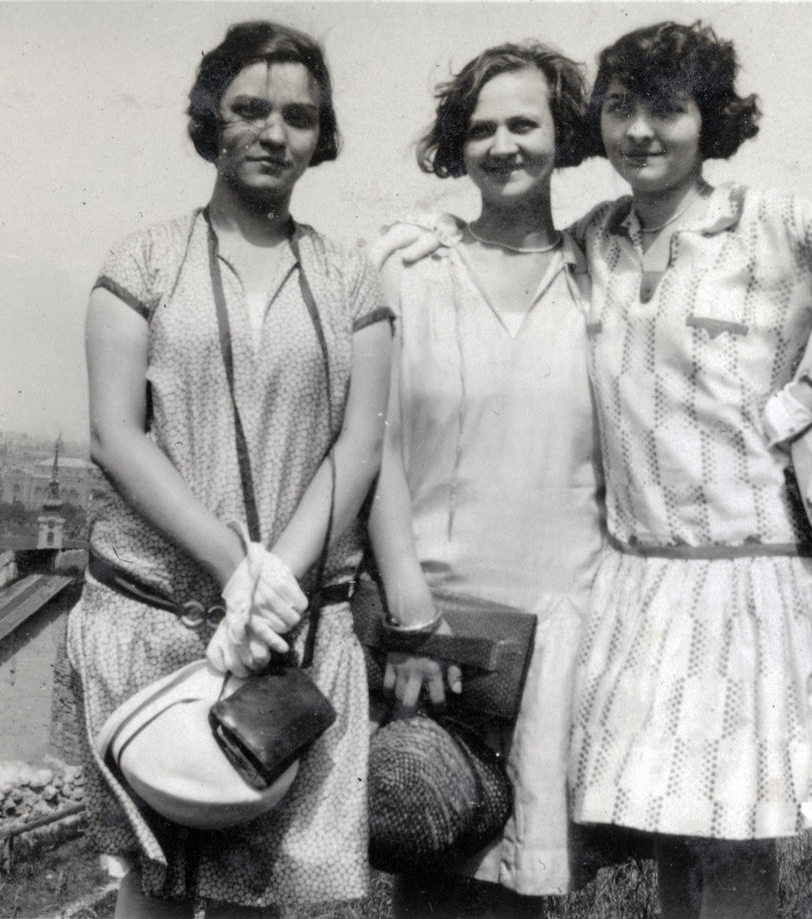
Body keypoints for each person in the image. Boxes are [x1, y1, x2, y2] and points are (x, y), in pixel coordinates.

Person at [564, 22, 812, 918]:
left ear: (711, 118)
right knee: (677, 831)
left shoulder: (774, 220)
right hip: (640, 581)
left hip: (750, 579)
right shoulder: (591, 238)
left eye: (667, 108)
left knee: (736, 837)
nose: (640, 131)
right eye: (621, 108)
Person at [68, 21, 391, 917]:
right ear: (211, 119)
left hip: (290, 629)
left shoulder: (351, 279)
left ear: (320, 137)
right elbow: (115, 435)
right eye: (248, 109)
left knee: (273, 886)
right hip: (160, 616)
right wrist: (233, 566)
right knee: (155, 883)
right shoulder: (142, 262)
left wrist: (273, 579)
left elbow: (359, 444)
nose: (272, 133)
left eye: (298, 116)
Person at [364, 42, 603, 918]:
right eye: (481, 128)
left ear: (562, 134)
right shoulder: (407, 266)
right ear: (454, 147)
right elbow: (371, 447)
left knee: (523, 885)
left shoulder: (604, 273)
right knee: (433, 854)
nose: (503, 145)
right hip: (439, 630)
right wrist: (410, 618)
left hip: (566, 627)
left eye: (524, 124)